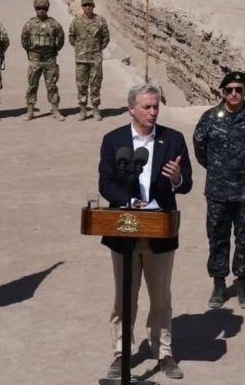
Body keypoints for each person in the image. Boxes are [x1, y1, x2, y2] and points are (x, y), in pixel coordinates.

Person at [98, 83, 192, 380]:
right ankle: (121, 354)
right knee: (124, 297)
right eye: (147, 107)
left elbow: (186, 183)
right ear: (131, 109)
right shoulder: (114, 141)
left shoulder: (173, 139)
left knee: (161, 297)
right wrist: (128, 201)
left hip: (160, 230)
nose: (153, 112)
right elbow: (106, 182)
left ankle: (164, 354)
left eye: (156, 107)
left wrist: (177, 179)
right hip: (124, 229)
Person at [193, 71, 245, 310]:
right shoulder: (209, 119)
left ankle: (243, 282)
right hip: (218, 191)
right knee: (217, 237)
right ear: (223, 92)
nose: (234, 94)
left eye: (239, 89)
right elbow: (200, 149)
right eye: (229, 90)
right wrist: (219, 170)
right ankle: (219, 283)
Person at [21, 0, 65, 121]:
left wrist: (54, 50)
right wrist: (31, 52)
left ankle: (55, 110)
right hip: (35, 59)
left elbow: (61, 38)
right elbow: (24, 40)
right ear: (35, 9)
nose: (41, 10)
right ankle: (30, 111)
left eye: (44, 8)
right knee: (32, 85)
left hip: (49, 59)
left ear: (47, 9)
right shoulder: (30, 24)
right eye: (38, 8)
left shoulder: (54, 24)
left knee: (52, 85)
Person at [68, 0, 110, 121]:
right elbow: (71, 37)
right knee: (81, 85)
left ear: (93, 6)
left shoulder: (100, 20)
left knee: (96, 84)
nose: (88, 7)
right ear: (82, 7)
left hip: (95, 59)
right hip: (81, 59)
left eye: (90, 5)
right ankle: (83, 110)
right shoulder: (76, 21)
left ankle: (95, 109)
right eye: (85, 5)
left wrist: (97, 49)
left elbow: (106, 37)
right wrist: (80, 48)